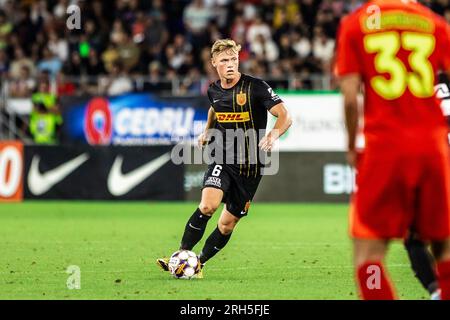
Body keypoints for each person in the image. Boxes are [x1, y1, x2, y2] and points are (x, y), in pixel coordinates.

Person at [335, 0, 450, 299]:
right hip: (435, 147)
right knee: (443, 245)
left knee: (368, 250)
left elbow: (349, 99)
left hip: (386, 146)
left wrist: (351, 146)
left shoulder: (355, 24)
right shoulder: (435, 23)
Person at [157, 39, 292, 277]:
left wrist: (274, 133)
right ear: (213, 63)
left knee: (226, 225)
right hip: (223, 158)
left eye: (233, 60)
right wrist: (207, 130)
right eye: (224, 61)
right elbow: (214, 108)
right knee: (207, 205)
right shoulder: (213, 90)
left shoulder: (256, 87)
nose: (230, 65)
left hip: (251, 168)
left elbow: (284, 115)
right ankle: (179, 256)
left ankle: (198, 262)